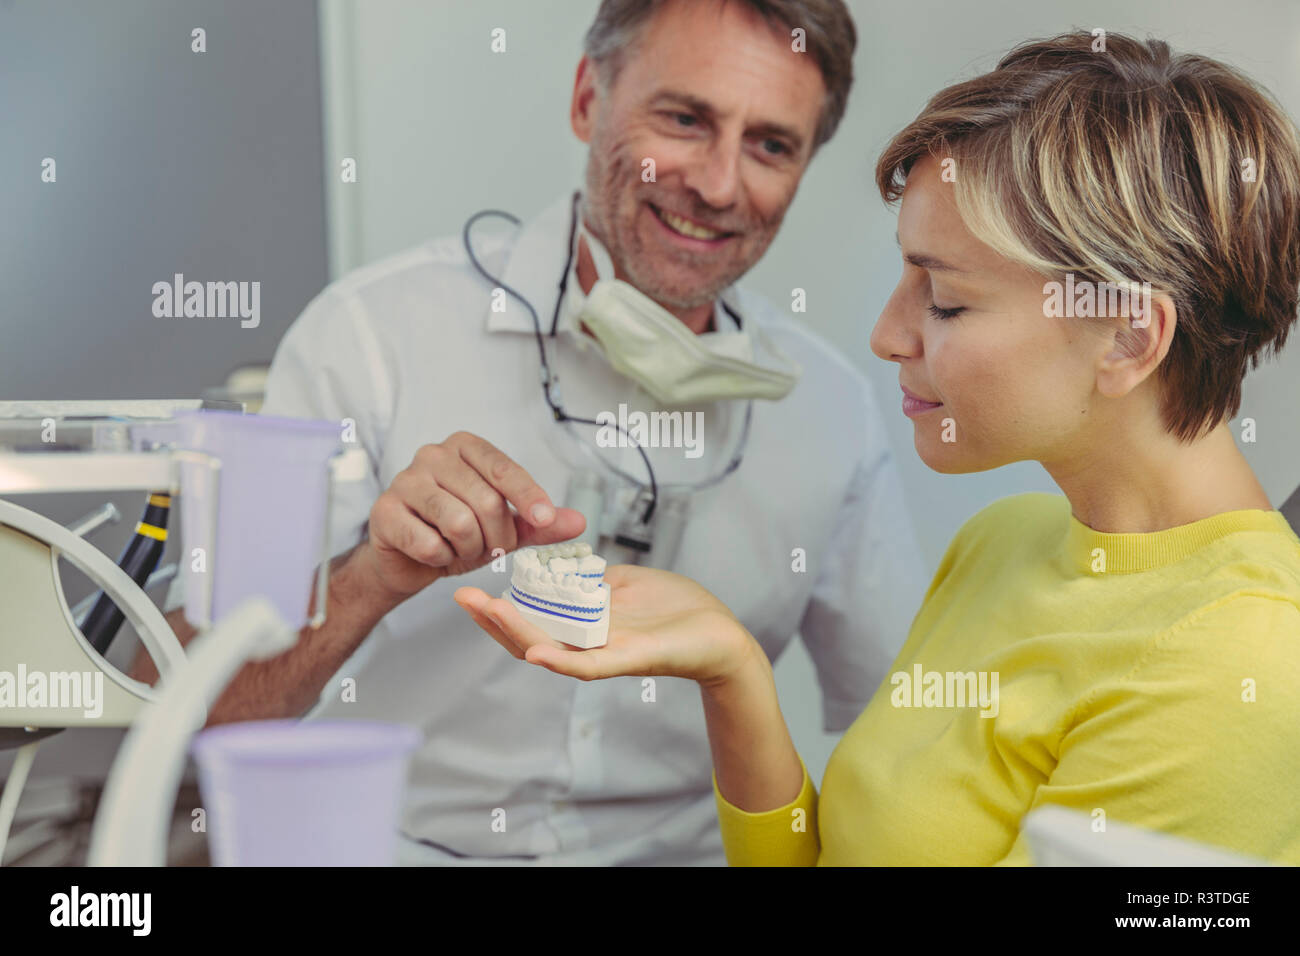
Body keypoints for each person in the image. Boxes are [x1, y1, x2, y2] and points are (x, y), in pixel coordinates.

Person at [455, 30, 1300, 865]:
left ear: (1125, 337)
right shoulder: (1003, 542)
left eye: (946, 302)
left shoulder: (1239, 662)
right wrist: (732, 669)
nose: (887, 334)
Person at [131, 0, 929, 866]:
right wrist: (372, 576)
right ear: (589, 97)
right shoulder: (370, 337)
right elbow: (173, 710)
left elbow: (905, 746)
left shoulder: (833, 411)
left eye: (772, 145)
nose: (719, 184)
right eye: (685, 119)